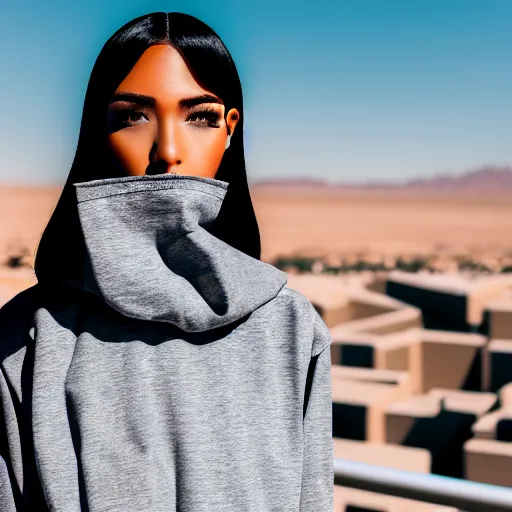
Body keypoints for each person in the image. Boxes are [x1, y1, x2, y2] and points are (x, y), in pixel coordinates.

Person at [0, 12, 333, 511]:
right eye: (134, 116)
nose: (168, 151)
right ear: (98, 131)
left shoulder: (291, 327)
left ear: (230, 132)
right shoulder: (28, 336)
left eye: (200, 116)